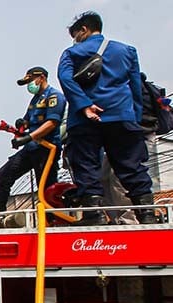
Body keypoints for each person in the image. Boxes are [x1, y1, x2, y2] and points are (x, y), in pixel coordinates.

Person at [57, 11, 155, 225]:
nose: (75, 40)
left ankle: (95, 215)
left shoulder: (71, 53)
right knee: (131, 166)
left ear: (84, 30)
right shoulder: (127, 51)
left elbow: (65, 79)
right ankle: (147, 213)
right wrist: (135, 117)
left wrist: (84, 105)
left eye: (76, 35)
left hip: (84, 121)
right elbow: (135, 87)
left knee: (87, 166)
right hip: (122, 116)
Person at [0, 66, 67, 212]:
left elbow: (52, 123)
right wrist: (22, 125)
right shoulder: (35, 100)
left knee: (46, 190)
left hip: (46, 149)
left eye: (31, 81)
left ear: (41, 78)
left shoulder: (55, 96)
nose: (29, 85)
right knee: (3, 175)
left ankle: (52, 218)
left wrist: (29, 137)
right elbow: (28, 121)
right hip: (31, 148)